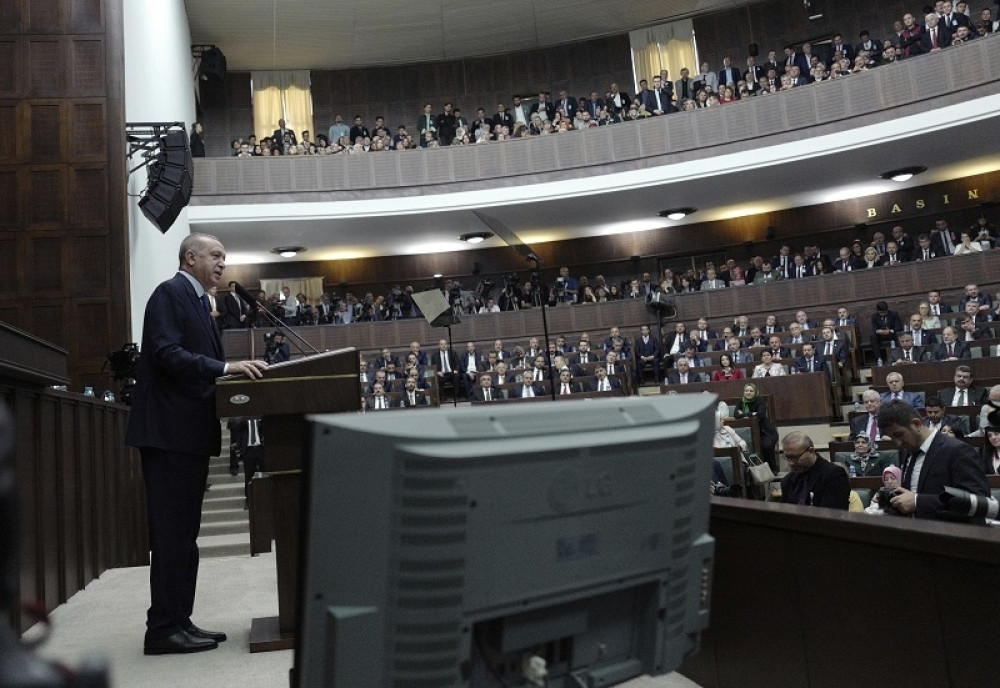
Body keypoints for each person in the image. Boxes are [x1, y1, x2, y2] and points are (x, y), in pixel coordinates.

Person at [125, 234, 267, 655]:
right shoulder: (169, 294)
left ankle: (179, 620)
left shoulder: (202, 303)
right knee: (171, 536)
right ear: (191, 257)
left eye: (225, 256)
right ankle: (163, 629)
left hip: (187, 434)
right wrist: (225, 367)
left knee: (184, 538)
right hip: (168, 434)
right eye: (216, 255)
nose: (223, 263)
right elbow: (166, 353)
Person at [877, 400, 990, 524]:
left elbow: (979, 502)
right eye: (893, 438)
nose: (898, 443)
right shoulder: (910, 450)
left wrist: (917, 501)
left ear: (917, 424)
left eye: (899, 435)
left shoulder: (958, 450)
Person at [778, 431, 850, 509]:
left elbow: (833, 516)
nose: (791, 463)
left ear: (811, 451)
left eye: (795, 457)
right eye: (787, 457)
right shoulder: (787, 481)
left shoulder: (834, 475)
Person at [734, 382, 778, 470]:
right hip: (750, 433)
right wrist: (752, 413)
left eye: (751, 391)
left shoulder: (760, 401)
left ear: (755, 392)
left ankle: (771, 469)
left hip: (765, 432)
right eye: (746, 391)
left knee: (766, 445)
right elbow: (736, 415)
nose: (748, 393)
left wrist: (744, 414)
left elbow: (761, 414)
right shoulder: (741, 401)